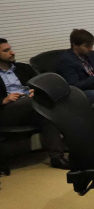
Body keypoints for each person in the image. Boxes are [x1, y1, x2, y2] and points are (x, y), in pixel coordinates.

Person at [0, 38, 68, 168]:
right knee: (42, 101)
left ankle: (57, 157)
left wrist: (35, 91)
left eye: (11, 49)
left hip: (30, 106)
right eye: (6, 50)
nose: (12, 52)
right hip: (6, 112)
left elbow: (39, 84)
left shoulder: (23, 68)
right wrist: (4, 99)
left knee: (46, 116)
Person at [56, 29, 94, 104]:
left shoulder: (91, 54)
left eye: (91, 45)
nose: (91, 49)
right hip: (83, 92)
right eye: (87, 46)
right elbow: (75, 86)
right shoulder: (65, 60)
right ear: (75, 45)